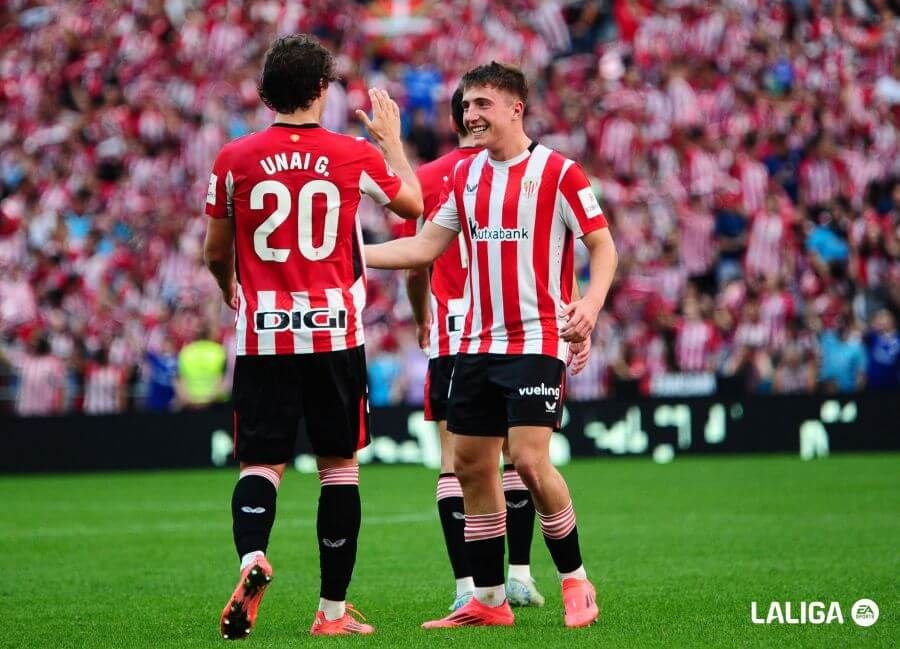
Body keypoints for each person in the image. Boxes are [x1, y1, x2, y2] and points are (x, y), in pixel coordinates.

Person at [365, 62, 617, 629]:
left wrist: (592, 303)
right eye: (466, 106)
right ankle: (488, 598)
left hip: (536, 339)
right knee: (471, 468)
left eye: (481, 104)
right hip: (475, 344)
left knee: (527, 459)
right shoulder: (466, 176)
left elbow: (603, 247)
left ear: (514, 109)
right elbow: (425, 245)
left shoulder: (560, 172)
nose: (470, 115)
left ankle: (576, 582)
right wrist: (352, 256)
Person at [203, 34, 422, 639]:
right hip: (334, 335)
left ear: (265, 91)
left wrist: (230, 287)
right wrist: (392, 143)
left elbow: (215, 251)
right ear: (322, 90)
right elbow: (416, 203)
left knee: (260, 464)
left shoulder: (235, 158)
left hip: (263, 335)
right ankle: (330, 613)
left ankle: (253, 560)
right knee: (339, 469)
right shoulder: (352, 155)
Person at [403, 87, 548, 612]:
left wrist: (423, 319)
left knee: (455, 464)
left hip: (453, 330)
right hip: (517, 327)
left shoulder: (430, 177)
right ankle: (522, 575)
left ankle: (467, 586)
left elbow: (418, 263)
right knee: (520, 458)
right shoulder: (525, 170)